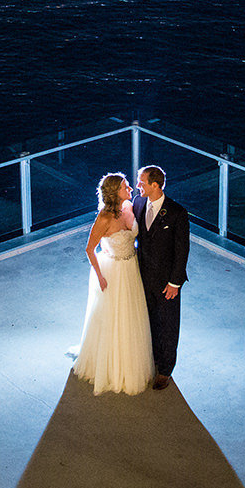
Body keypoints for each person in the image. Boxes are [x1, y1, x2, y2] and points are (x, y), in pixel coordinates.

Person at [72, 173, 155, 395]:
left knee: (132, 315)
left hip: (132, 267)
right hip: (114, 271)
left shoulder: (129, 206)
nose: (130, 188)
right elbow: (90, 249)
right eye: (125, 186)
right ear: (113, 193)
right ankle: (114, 366)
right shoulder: (104, 218)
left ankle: (131, 359)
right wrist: (100, 276)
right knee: (114, 317)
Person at [133, 164, 189, 390]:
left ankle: (165, 370)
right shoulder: (137, 203)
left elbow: (182, 250)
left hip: (167, 283)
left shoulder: (177, 212)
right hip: (141, 277)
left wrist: (175, 282)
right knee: (148, 321)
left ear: (155, 185)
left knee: (167, 325)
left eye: (141, 182)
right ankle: (153, 360)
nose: (138, 186)